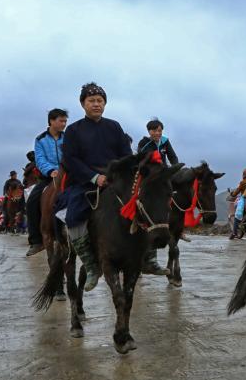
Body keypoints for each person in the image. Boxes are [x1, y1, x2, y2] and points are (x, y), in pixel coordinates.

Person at [57, 82, 131, 291]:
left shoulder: (114, 126)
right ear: (83, 104)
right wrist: (93, 177)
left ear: (105, 104)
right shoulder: (73, 130)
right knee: (72, 216)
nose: (96, 104)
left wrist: (119, 174)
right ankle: (91, 265)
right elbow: (71, 160)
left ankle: (147, 257)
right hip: (85, 182)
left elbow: (126, 154)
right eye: (91, 101)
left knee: (142, 205)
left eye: (100, 101)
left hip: (115, 180)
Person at [136, 119, 178, 274]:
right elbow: (141, 160)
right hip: (148, 175)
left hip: (163, 174)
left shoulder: (165, 142)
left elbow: (173, 158)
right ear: (149, 131)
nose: (157, 133)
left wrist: (174, 169)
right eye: (154, 131)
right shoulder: (144, 143)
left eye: (159, 130)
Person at [26, 108, 68, 256]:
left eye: (65, 121)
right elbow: (40, 159)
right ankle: (36, 241)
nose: (64, 124)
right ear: (51, 121)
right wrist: (51, 171)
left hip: (68, 175)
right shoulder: (40, 139)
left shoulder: (68, 137)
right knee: (31, 202)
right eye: (61, 121)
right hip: (48, 177)